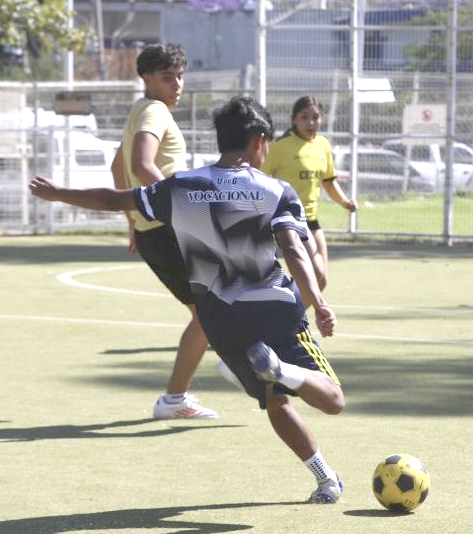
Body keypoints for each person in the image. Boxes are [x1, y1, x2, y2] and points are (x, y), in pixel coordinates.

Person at [30, 96, 347, 504]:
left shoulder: (181, 187)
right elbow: (296, 250)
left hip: (221, 320)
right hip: (275, 311)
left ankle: (326, 479)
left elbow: (114, 198)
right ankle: (285, 370)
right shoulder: (275, 190)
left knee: (275, 401)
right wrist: (318, 302)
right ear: (258, 141)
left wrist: (60, 194)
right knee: (333, 400)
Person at [109, 42, 216, 420]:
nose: (177, 84)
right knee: (211, 310)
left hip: (153, 228)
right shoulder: (154, 111)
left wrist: (133, 222)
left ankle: (185, 392)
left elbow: (117, 168)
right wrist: (175, 209)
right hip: (167, 228)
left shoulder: (140, 111)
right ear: (146, 78)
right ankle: (176, 397)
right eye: (168, 77)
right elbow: (141, 162)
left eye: (180, 76)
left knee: (210, 310)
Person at [261, 96, 357, 291]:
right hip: (289, 221)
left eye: (315, 117)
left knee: (320, 281)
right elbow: (259, 179)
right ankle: (289, 319)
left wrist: (345, 202)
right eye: (304, 117)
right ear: (294, 119)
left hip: (312, 221)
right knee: (315, 276)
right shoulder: (280, 147)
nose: (311, 122)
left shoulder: (323, 145)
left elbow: (329, 182)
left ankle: (290, 320)